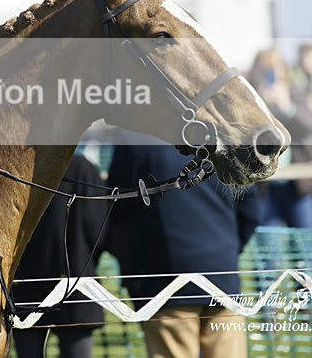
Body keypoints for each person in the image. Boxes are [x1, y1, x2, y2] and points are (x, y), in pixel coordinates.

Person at [105, 131, 260, 358]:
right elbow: (251, 209)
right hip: (221, 276)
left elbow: (118, 210)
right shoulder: (220, 137)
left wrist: (134, 268)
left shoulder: (134, 139)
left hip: (165, 280)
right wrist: (227, 252)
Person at [13, 152, 111, 358]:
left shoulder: (24, 166)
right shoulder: (82, 167)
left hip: (28, 282)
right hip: (76, 283)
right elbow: (98, 230)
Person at [247, 48, 312, 228]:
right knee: (270, 251)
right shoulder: (248, 100)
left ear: (283, 71)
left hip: (299, 184)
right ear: (255, 71)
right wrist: (259, 107)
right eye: (264, 69)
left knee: (305, 247)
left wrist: (289, 108)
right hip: (264, 186)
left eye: (274, 68)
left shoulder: (295, 93)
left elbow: (310, 125)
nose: (269, 74)